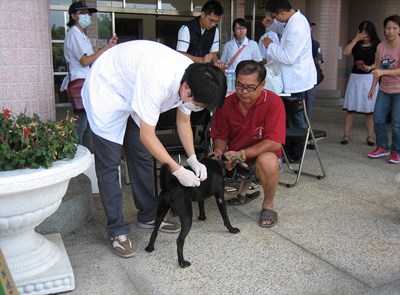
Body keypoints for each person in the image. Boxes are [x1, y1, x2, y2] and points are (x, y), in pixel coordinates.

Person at [81, 40, 227, 257]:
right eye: (198, 104)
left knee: (141, 154)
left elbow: (183, 121)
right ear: (186, 88)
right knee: (110, 164)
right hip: (108, 89)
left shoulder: (192, 79)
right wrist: (177, 169)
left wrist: (193, 158)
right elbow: (148, 135)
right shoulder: (158, 79)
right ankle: (117, 230)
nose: (197, 108)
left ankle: (149, 215)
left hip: (133, 89)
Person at [209, 60, 286, 228]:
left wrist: (241, 154)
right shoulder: (226, 104)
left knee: (267, 160)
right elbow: (220, 136)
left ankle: (268, 205)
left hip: (257, 159)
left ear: (263, 84)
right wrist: (218, 152)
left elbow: (274, 143)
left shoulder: (273, 102)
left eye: (250, 87)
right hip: (236, 159)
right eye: (239, 85)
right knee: (210, 165)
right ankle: (241, 190)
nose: (243, 92)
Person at [263, 0, 316, 162]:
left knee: (296, 117)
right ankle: (289, 150)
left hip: (297, 81)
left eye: (275, 16)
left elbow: (288, 57)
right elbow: (283, 30)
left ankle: (297, 153)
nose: (275, 19)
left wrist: (270, 45)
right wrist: (272, 25)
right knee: (288, 116)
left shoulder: (298, 26)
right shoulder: (292, 21)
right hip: (291, 80)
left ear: (282, 13)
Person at [62, 2, 118, 149]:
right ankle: (77, 154)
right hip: (80, 83)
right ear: (74, 16)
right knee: (81, 125)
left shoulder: (81, 35)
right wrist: (106, 47)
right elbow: (85, 60)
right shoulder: (74, 34)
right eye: (82, 13)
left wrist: (108, 46)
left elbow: (90, 58)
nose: (87, 16)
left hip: (85, 82)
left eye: (88, 13)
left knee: (86, 125)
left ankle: (85, 154)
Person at [341, 21, 380, 146]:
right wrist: (355, 39)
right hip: (355, 77)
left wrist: (369, 68)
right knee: (350, 108)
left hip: (369, 77)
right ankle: (346, 135)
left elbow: (378, 62)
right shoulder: (355, 43)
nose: (364, 35)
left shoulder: (377, 44)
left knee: (369, 109)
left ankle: (370, 136)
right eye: (362, 32)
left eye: (367, 32)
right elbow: (345, 52)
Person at [367, 15, 400, 164]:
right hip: (384, 89)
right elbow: (378, 68)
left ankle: (396, 151)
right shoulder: (381, 46)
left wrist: (382, 73)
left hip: (399, 90)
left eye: (394, 28)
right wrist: (373, 87)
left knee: (397, 123)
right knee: (378, 119)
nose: (390, 31)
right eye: (388, 28)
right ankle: (383, 147)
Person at [176, 0, 224, 68]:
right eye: (211, 20)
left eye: (216, 22)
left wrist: (216, 61)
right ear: (202, 14)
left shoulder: (215, 31)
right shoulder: (186, 29)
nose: (213, 24)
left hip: (203, 71)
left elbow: (212, 53)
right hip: (187, 70)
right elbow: (180, 53)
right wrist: (201, 60)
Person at [306, 18, 324, 118]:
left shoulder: (315, 44)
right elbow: (319, 62)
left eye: (310, 27)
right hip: (307, 78)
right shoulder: (315, 43)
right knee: (307, 105)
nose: (310, 29)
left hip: (310, 78)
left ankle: (305, 128)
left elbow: (319, 62)